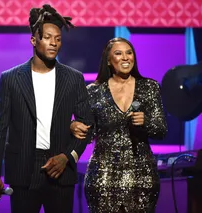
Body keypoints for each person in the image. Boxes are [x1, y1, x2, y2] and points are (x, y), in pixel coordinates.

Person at [0, 4, 92, 213]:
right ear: (34, 40)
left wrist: (67, 157)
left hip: (61, 171)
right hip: (23, 170)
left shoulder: (73, 79)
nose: (53, 43)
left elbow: (87, 125)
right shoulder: (10, 79)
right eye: (47, 37)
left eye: (58, 39)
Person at [70, 37, 168, 213]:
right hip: (103, 174)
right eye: (118, 53)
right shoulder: (93, 91)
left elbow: (161, 130)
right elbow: (88, 131)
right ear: (109, 60)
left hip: (141, 174)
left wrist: (147, 122)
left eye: (129, 53)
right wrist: (72, 126)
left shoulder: (149, 87)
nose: (125, 57)